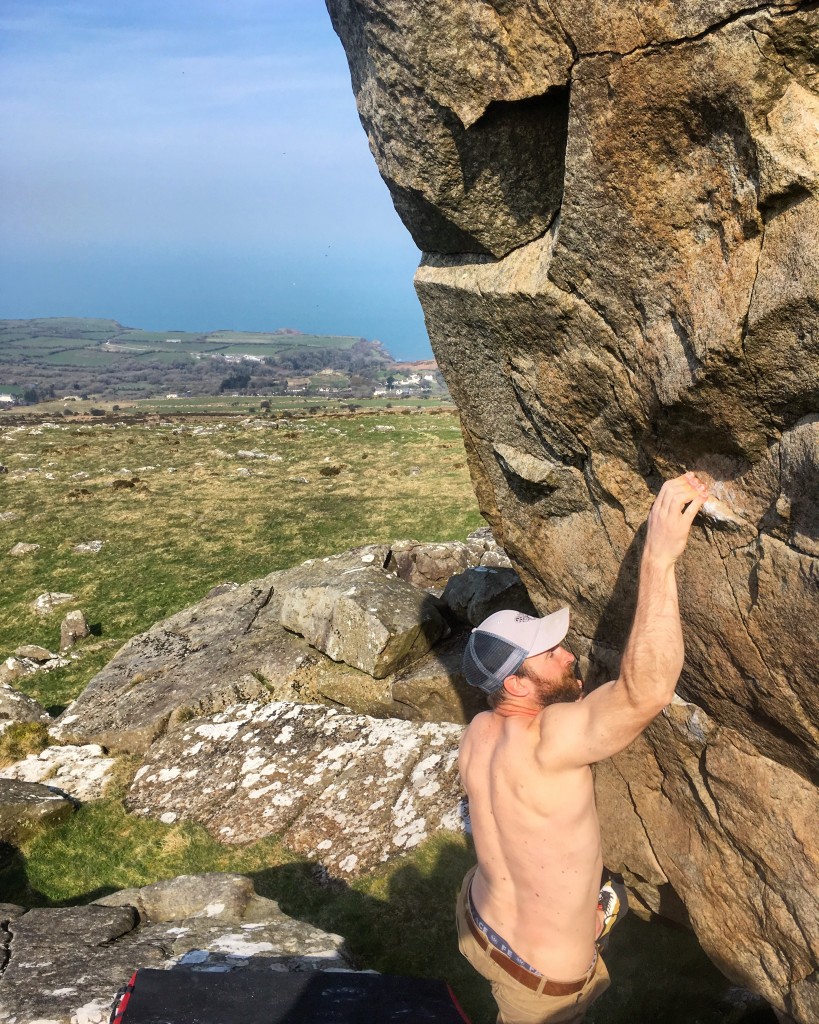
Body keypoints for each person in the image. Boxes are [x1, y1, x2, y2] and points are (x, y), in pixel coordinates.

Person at [456, 472, 709, 1024]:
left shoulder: (476, 735)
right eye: (550, 653)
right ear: (516, 685)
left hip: (478, 923)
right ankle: (584, 923)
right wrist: (659, 559)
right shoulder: (550, 741)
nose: (568, 653)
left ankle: (586, 916)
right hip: (543, 983)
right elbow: (647, 691)